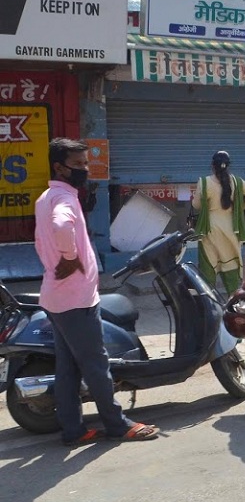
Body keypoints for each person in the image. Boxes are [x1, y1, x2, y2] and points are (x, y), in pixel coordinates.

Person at [34, 138, 159, 446]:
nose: (85, 169)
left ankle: (74, 430)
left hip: (57, 296)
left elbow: (43, 238)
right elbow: (62, 227)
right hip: (75, 299)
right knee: (96, 365)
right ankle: (117, 425)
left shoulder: (46, 196)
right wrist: (70, 256)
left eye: (85, 163)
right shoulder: (63, 200)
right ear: (59, 167)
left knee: (67, 368)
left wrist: (62, 257)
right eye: (78, 164)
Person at [192, 150, 245, 294]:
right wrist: (241, 206)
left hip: (210, 230)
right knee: (231, 270)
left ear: (213, 166)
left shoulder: (204, 182)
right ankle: (234, 306)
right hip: (232, 229)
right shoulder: (237, 182)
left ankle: (209, 305)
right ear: (228, 166)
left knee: (208, 270)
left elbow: (196, 205)